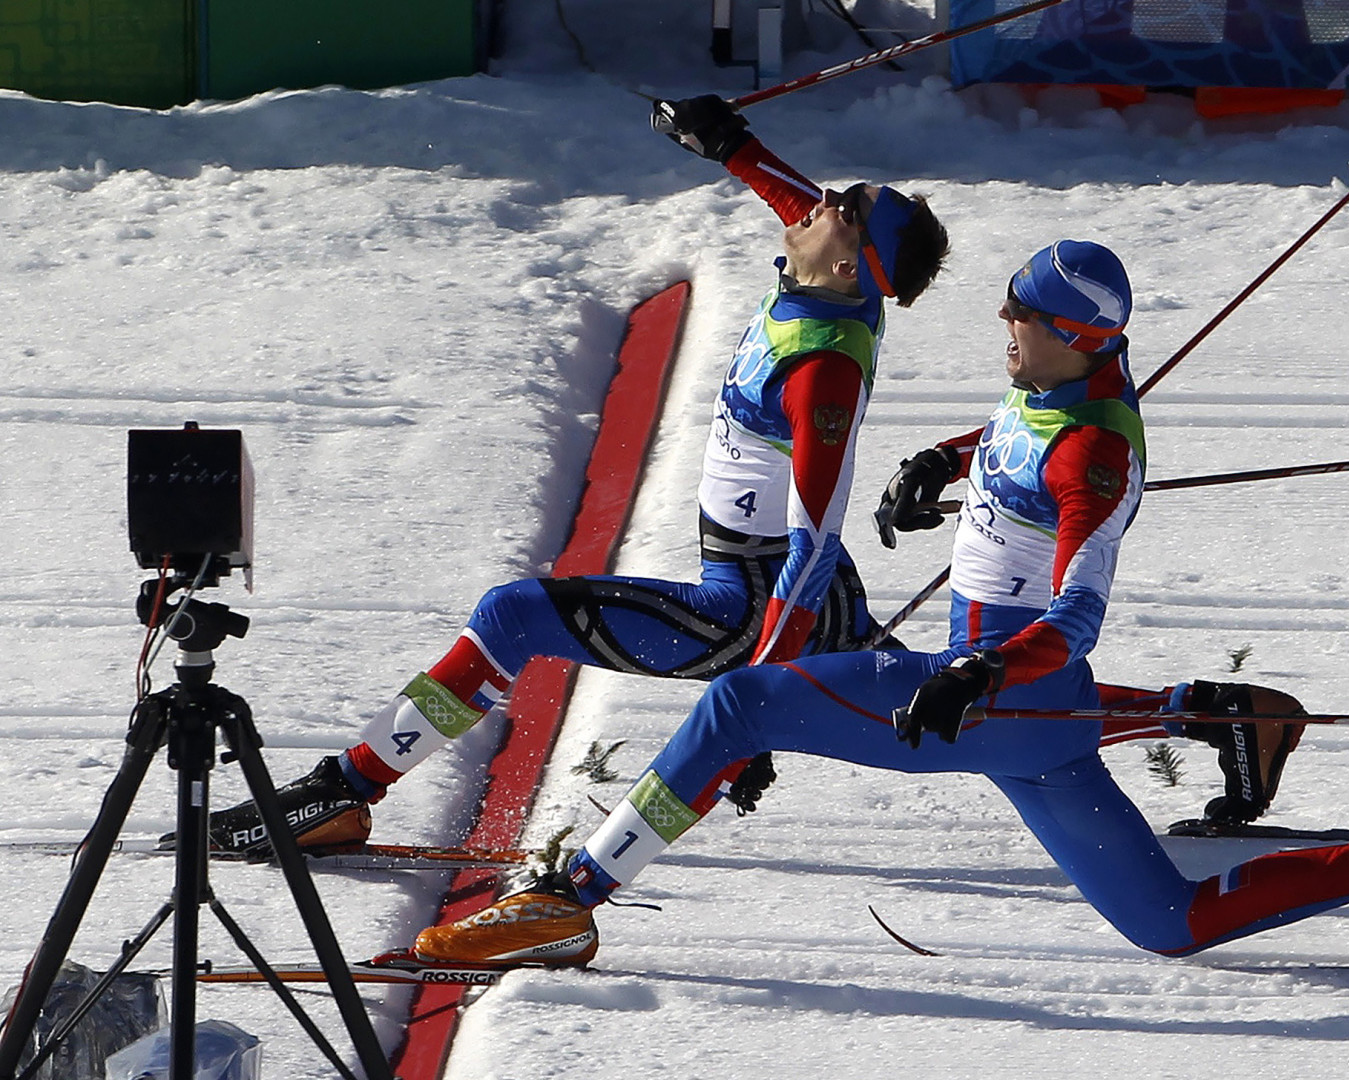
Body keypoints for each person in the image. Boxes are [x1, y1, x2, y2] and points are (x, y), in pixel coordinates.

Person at [409, 239, 1349, 970]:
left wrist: (980, 670)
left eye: (1023, 314)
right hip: (1041, 728)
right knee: (1169, 926)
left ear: (1079, 337)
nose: (1005, 323)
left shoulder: (1091, 455)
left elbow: (1076, 613)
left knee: (739, 707)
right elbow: (1012, 430)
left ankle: (568, 901)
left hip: (1007, 694)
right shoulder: (1054, 385)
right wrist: (940, 461)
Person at [204, 95, 951, 858]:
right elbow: (802, 202)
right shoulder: (838, 276)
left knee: (513, 617)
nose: (822, 198)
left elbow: (815, 545)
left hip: (760, 606)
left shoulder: (821, 369)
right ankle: (1060, 716)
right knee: (976, 712)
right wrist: (731, 145)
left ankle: (342, 792)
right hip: (789, 591)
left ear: (852, 260)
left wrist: (754, 701)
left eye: (847, 208)